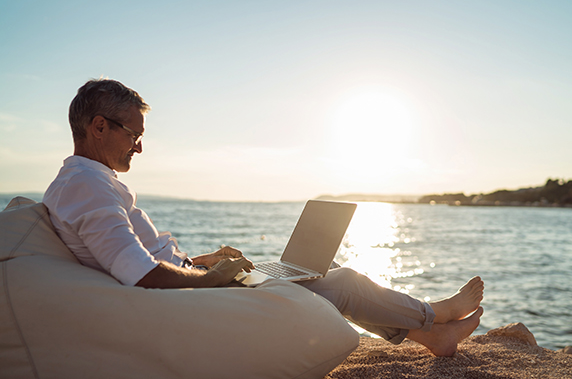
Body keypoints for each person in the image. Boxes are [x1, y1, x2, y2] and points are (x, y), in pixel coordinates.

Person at [43, 78, 484, 357]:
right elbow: (140, 275)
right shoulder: (88, 186)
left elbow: (135, 258)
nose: (138, 147)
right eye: (133, 134)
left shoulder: (86, 182)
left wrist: (203, 261)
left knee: (319, 272)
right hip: (190, 302)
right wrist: (212, 279)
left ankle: (431, 336)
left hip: (189, 287)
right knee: (342, 282)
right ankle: (434, 317)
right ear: (99, 127)